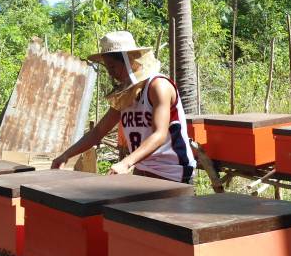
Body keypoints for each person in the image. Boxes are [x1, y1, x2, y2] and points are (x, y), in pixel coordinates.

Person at [51, 31, 196, 185]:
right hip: (142, 170)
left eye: (113, 67)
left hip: (173, 172)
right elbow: (98, 132)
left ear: (130, 61)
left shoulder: (158, 86)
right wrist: (66, 155)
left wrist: (126, 163)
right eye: (107, 68)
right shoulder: (125, 95)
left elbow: (159, 135)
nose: (111, 73)